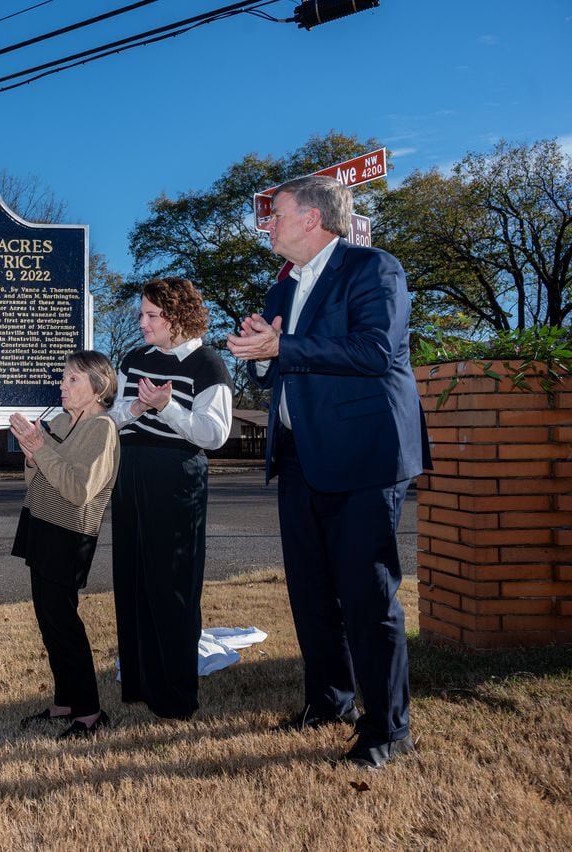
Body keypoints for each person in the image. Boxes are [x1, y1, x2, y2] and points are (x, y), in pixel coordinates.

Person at [227, 175, 430, 769]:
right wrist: (258, 356)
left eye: (277, 214)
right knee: (311, 592)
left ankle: (388, 730)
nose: (268, 224)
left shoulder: (373, 269)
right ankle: (329, 702)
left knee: (367, 595)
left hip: (363, 456)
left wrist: (282, 350)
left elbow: (376, 352)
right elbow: (273, 369)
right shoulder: (281, 287)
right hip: (297, 456)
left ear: (314, 218)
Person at [109, 277, 233, 721]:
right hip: (129, 473)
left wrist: (167, 408)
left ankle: (175, 694)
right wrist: (137, 409)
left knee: (173, 584)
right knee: (133, 578)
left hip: (176, 476)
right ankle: (140, 682)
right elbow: (113, 419)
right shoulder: (134, 359)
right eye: (141, 314)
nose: (141, 323)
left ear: (176, 317)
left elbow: (215, 435)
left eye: (150, 316)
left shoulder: (206, 364)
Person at [10, 351, 121, 738]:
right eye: (64, 378)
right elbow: (35, 481)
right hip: (39, 525)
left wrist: (40, 449)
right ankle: (64, 702)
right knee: (49, 621)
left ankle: (89, 712)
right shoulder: (59, 421)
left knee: (64, 624)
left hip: (69, 534)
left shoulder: (103, 429)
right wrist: (30, 452)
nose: (63, 385)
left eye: (73, 379)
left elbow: (78, 490)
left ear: (99, 386)